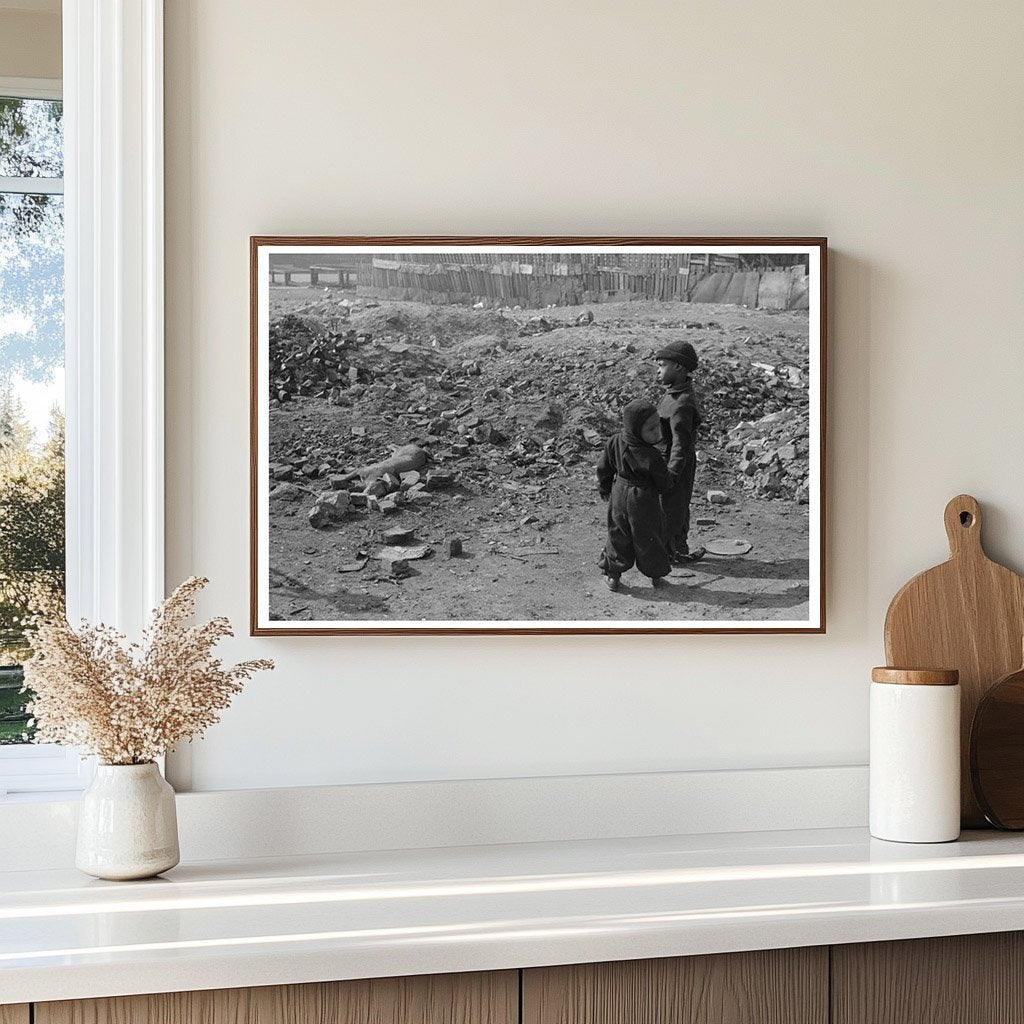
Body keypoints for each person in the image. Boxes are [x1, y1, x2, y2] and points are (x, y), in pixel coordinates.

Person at [596, 399, 672, 591]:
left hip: (619, 494)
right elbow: (663, 482)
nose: (658, 432)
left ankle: (613, 575)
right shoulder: (652, 456)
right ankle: (656, 576)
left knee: (618, 533)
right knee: (649, 535)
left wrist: (605, 488)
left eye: (658, 427)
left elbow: (604, 467)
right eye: (651, 429)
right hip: (643, 499)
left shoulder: (614, 441)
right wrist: (667, 488)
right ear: (636, 429)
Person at [655, 340, 706, 564]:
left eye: (662, 365)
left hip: (675, 464)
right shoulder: (672, 394)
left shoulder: (682, 403)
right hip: (665, 461)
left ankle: (672, 552)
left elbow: (680, 444)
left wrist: (672, 474)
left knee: (674, 507)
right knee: (669, 506)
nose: (658, 371)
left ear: (678, 368)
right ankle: (674, 548)